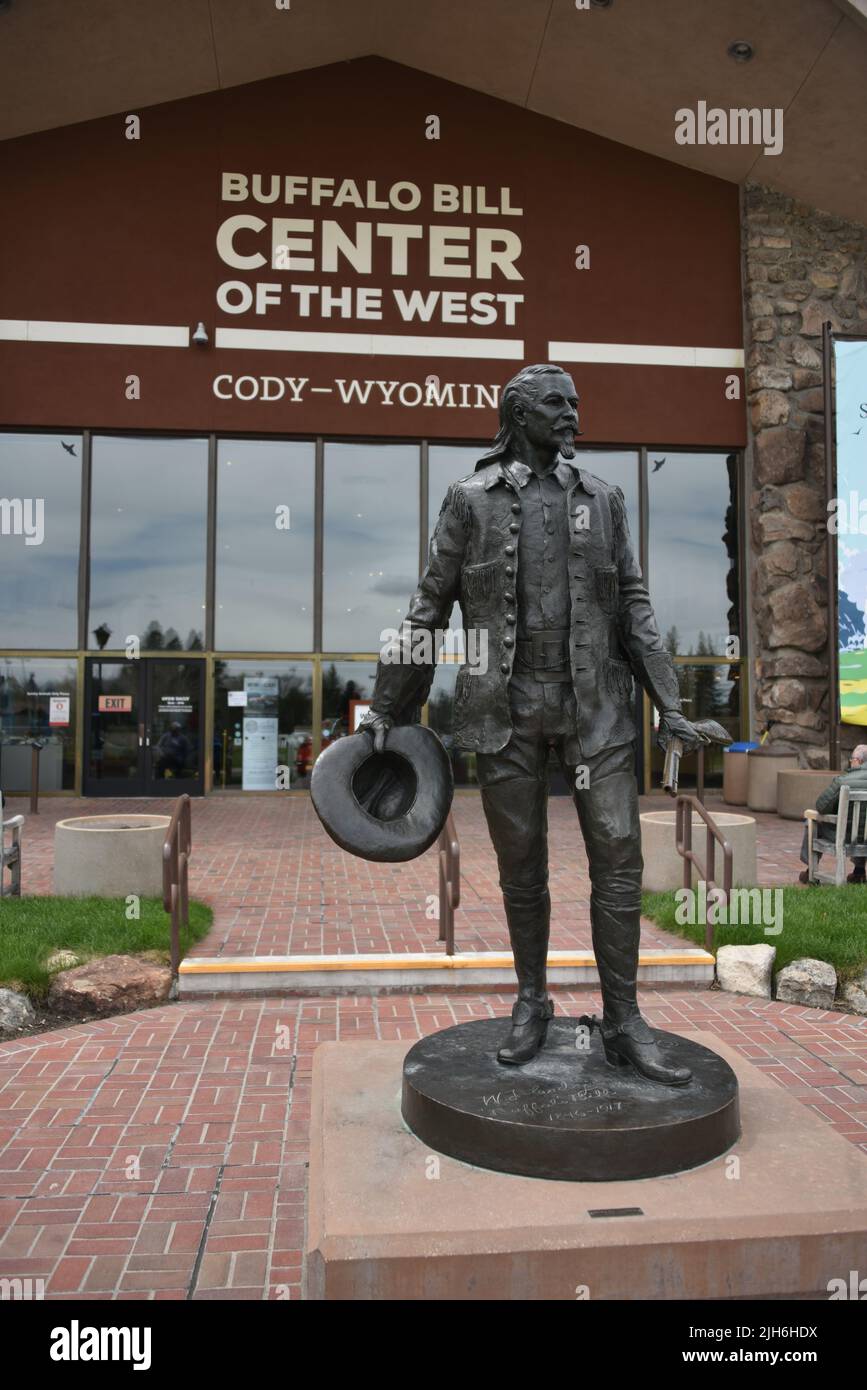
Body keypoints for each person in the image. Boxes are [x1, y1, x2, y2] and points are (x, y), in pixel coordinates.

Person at [360, 363, 710, 1086]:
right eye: (557, 404)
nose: (573, 415)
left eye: (576, 403)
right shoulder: (468, 501)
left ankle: (623, 1019)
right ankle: (531, 1002)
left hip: (597, 712)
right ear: (518, 414)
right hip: (503, 711)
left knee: (618, 855)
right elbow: (429, 607)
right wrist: (387, 708)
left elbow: (635, 609)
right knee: (522, 866)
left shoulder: (604, 500)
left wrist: (668, 704)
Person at [799, 745, 867, 883]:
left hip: (843, 837)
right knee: (861, 825)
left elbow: (821, 806)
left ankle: (810, 870)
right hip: (865, 837)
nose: (850, 762)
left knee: (811, 820)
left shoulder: (842, 781)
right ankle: (859, 872)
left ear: (858, 761)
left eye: (851, 760)